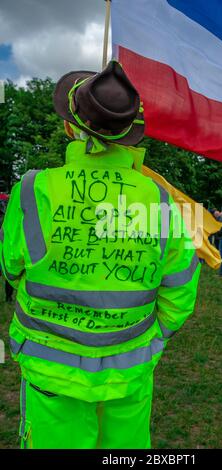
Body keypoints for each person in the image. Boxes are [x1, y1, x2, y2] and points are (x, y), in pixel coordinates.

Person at [0, 61, 201, 449]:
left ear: (71, 126)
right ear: (129, 136)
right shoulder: (159, 200)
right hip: (130, 373)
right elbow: (180, 288)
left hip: (50, 372)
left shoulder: (30, 190)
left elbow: (11, 269)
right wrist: (151, 339)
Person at [0, 182, 14, 302]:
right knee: (8, 271)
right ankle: (8, 297)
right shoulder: (8, 202)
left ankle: (8, 297)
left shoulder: (8, 201)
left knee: (8, 271)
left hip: (6, 243)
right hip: (6, 244)